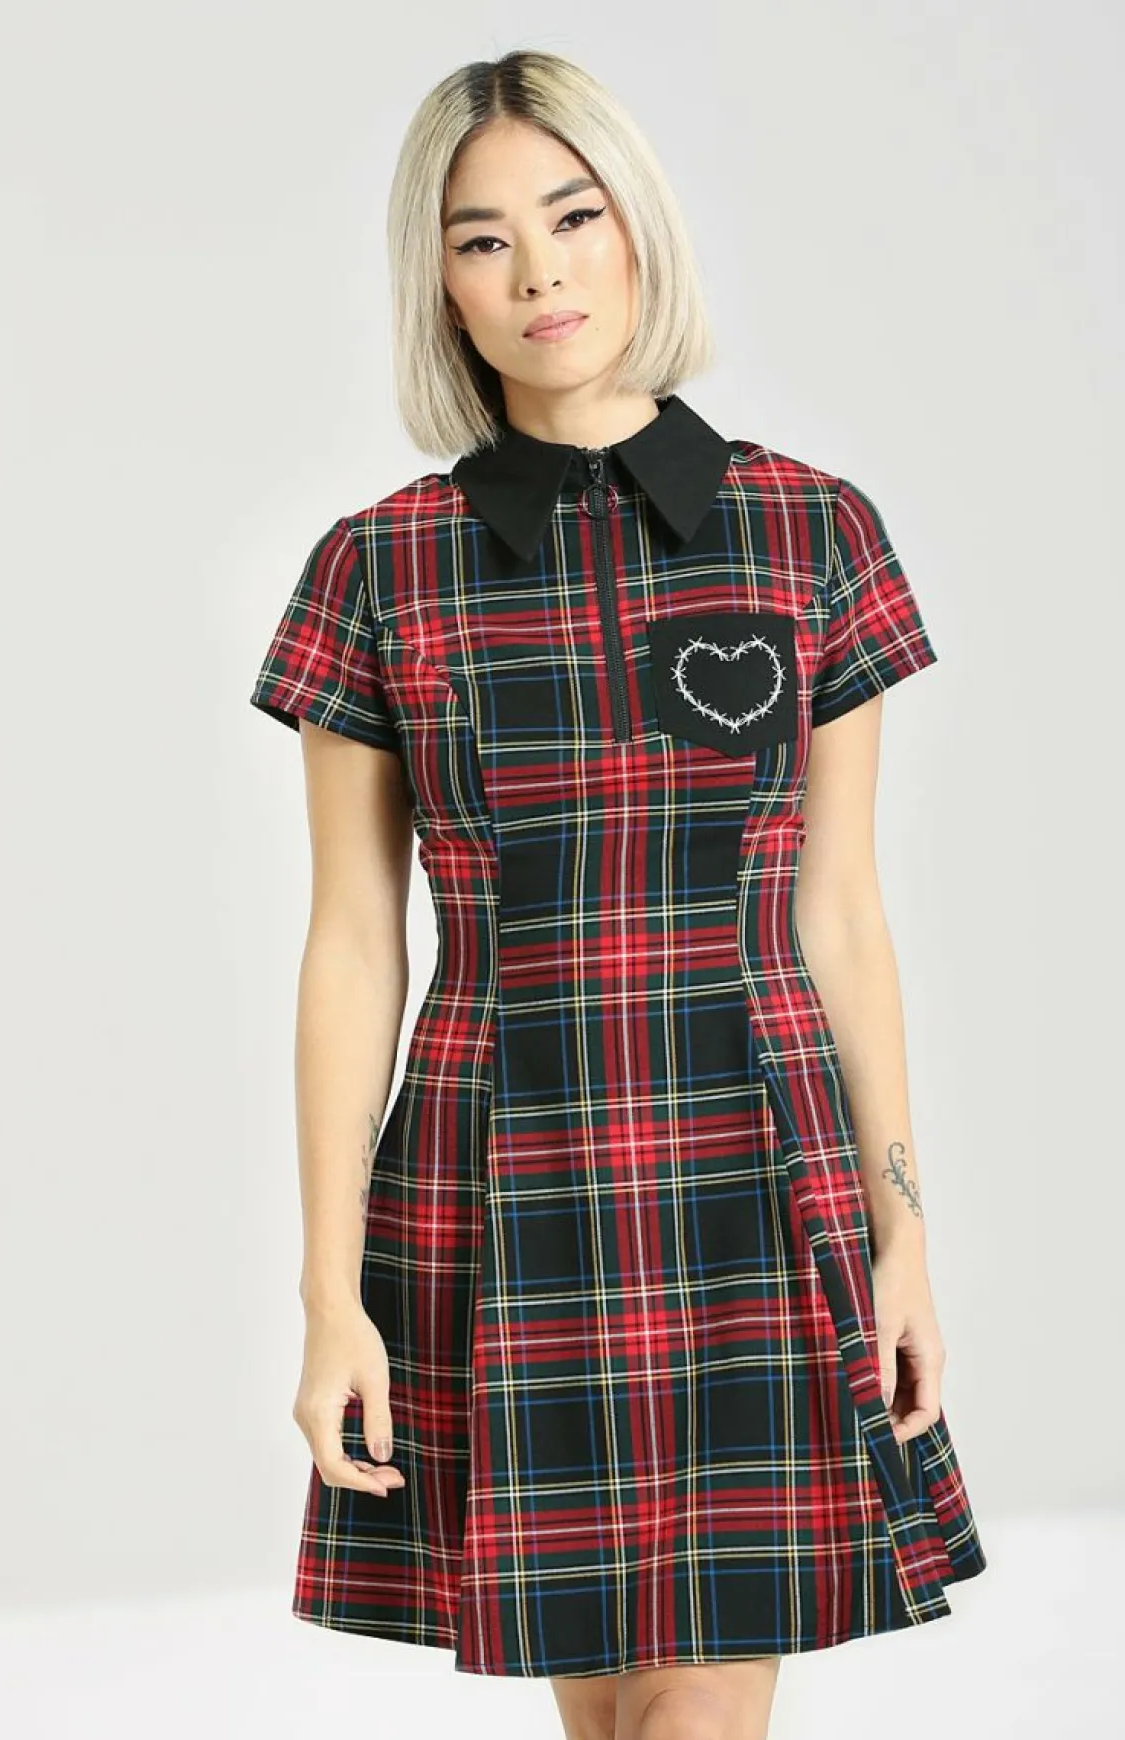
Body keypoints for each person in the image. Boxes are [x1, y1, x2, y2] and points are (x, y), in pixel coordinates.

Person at [248, 46, 987, 1740]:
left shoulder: (809, 533)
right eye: (483, 238)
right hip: (506, 1175)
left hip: (750, 1168)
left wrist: (905, 1238)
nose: (540, 271)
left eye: (573, 216)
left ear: (639, 225)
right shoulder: (379, 568)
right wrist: (328, 1291)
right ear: (439, 283)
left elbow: (841, 915)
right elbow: (353, 946)